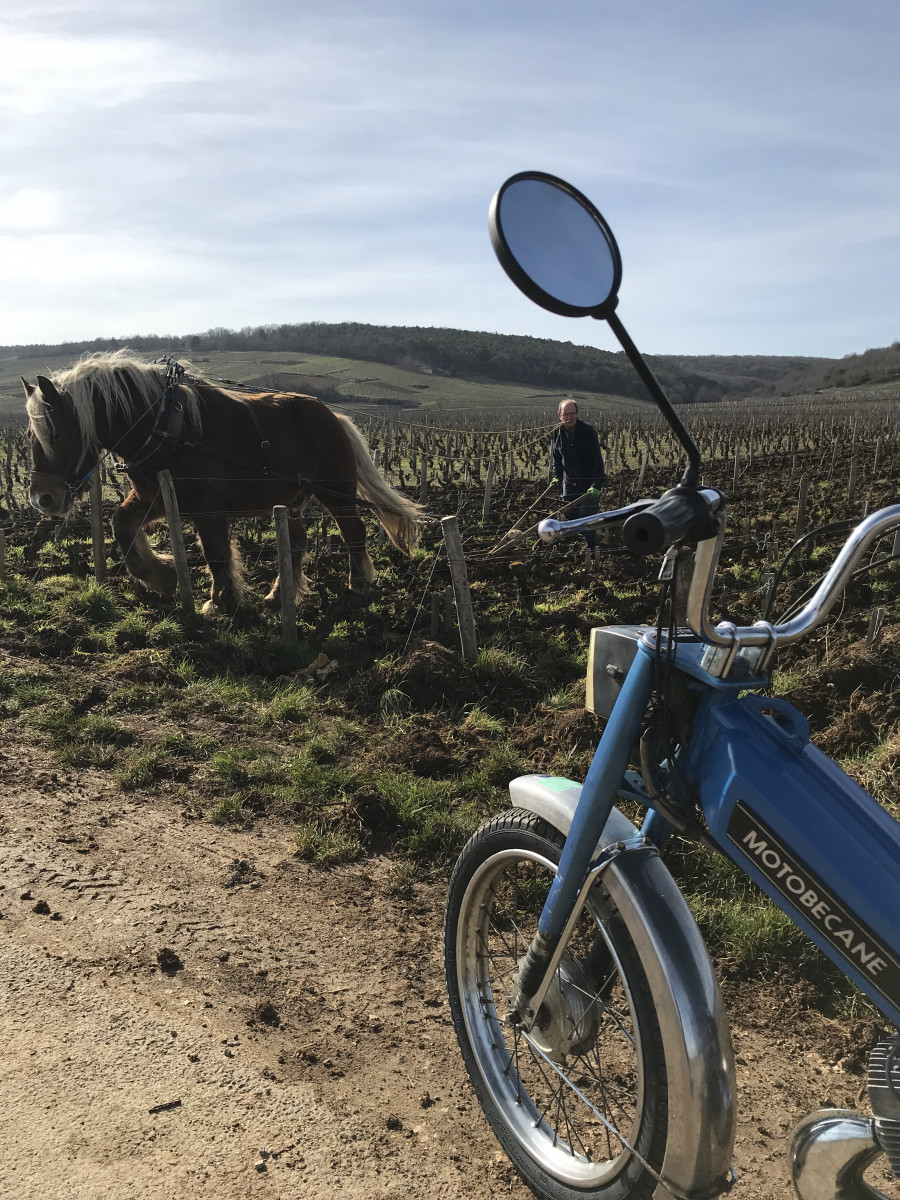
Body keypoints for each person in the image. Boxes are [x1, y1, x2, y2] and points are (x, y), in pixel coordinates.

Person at [549, 399, 605, 550]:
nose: (569, 417)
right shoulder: (557, 432)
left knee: (588, 520)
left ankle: (592, 551)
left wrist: (596, 484)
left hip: (589, 483)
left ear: (577, 413)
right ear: (559, 415)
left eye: (572, 413)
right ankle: (572, 551)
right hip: (570, 482)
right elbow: (556, 458)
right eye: (565, 414)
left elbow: (597, 461)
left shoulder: (588, 431)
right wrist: (556, 476)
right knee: (569, 518)